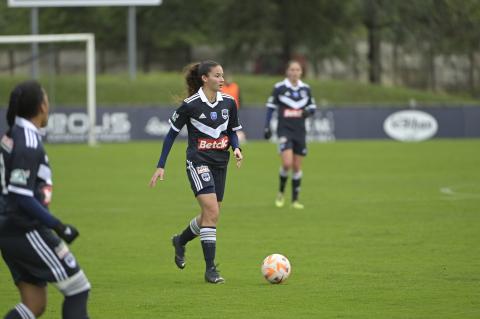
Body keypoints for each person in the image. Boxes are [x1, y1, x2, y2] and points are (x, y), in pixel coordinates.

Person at [0, 80, 91, 319]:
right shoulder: (26, 141)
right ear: (42, 106)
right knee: (78, 289)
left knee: (34, 305)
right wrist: (58, 226)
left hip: (11, 230)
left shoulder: (13, 135)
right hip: (25, 229)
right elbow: (21, 195)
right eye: (47, 101)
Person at [149, 60, 243, 284]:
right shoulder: (190, 105)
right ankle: (211, 270)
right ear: (205, 78)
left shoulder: (229, 102)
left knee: (211, 215)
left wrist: (237, 147)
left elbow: (231, 131)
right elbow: (171, 134)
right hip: (198, 160)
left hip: (221, 162)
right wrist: (161, 165)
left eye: (223, 75)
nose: (222, 80)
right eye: (218, 76)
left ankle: (180, 240)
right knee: (211, 210)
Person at [263, 60, 316, 209]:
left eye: (297, 70)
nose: (294, 72)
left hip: (300, 131)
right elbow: (270, 108)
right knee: (287, 164)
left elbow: (312, 107)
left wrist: (308, 112)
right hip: (284, 130)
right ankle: (280, 193)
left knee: (297, 167)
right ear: (287, 72)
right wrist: (267, 127)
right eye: (292, 70)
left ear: (301, 72)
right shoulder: (279, 88)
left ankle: (295, 200)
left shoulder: (306, 89)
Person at [221, 76, 247, 143]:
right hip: (224, 109)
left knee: (234, 125)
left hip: (235, 108)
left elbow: (239, 97)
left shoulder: (235, 86)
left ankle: (235, 139)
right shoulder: (222, 87)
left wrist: (239, 106)